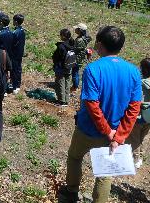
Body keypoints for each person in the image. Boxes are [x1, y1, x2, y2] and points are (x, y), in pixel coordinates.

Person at [58, 26, 142, 203]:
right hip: (113, 132)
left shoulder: (93, 69)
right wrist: (118, 136)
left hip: (88, 129)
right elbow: (134, 108)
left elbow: (92, 104)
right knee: (105, 174)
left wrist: (106, 130)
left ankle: (72, 191)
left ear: (100, 44)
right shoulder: (133, 71)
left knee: (74, 157)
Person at [126, 58, 150, 169]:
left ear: (143, 69)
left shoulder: (141, 84)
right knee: (145, 137)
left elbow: (136, 100)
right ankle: (141, 157)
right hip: (149, 117)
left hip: (139, 115)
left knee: (135, 138)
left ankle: (135, 159)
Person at [52, 29, 75, 107]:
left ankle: (61, 101)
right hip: (69, 66)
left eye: (60, 35)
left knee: (60, 83)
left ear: (63, 36)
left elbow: (57, 58)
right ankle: (66, 99)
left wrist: (55, 64)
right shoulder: (72, 44)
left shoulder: (61, 46)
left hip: (61, 67)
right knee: (67, 83)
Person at [71, 23, 91, 92]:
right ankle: (75, 85)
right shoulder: (83, 38)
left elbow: (76, 49)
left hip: (77, 58)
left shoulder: (80, 40)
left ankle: (75, 87)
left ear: (80, 30)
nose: (75, 29)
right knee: (76, 72)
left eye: (77, 28)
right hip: (80, 58)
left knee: (75, 72)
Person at [11, 14, 26, 95]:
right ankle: (18, 85)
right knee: (18, 69)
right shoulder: (22, 31)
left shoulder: (15, 32)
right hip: (20, 53)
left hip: (14, 54)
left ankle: (15, 86)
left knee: (14, 70)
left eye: (13, 20)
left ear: (16, 22)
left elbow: (12, 43)